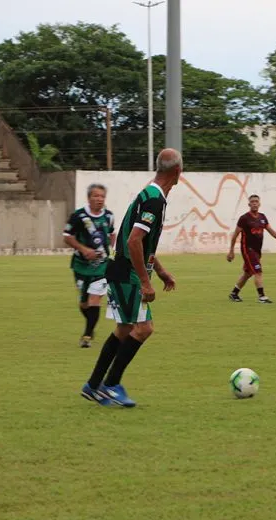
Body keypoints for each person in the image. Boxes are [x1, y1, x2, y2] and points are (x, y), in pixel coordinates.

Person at [81, 148, 182, 408]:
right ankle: (111, 385)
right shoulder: (154, 200)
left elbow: (136, 239)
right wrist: (146, 282)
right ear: (177, 172)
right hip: (127, 274)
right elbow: (134, 240)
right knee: (143, 329)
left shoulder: (146, 193)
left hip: (121, 270)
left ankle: (93, 385)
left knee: (125, 328)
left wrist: (158, 270)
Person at [62, 183, 116, 347]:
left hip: (101, 265)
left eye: (102, 196)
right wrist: (84, 249)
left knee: (95, 299)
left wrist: (111, 252)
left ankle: (87, 336)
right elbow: (67, 236)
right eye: (96, 196)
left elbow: (112, 233)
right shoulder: (78, 216)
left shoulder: (108, 216)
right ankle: (91, 325)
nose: (99, 199)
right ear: (89, 198)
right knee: (84, 303)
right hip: (81, 264)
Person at [226, 194, 276, 303]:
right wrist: (231, 251)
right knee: (258, 271)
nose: (254, 203)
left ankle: (234, 293)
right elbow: (235, 235)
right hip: (247, 249)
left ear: (259, 204)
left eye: (256, 201)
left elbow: (270, 230)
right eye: (252, 201)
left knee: (248, 273)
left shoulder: (262, 217)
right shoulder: (244, 218)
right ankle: (262, 296)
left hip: (257, 250)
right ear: (249, 204)